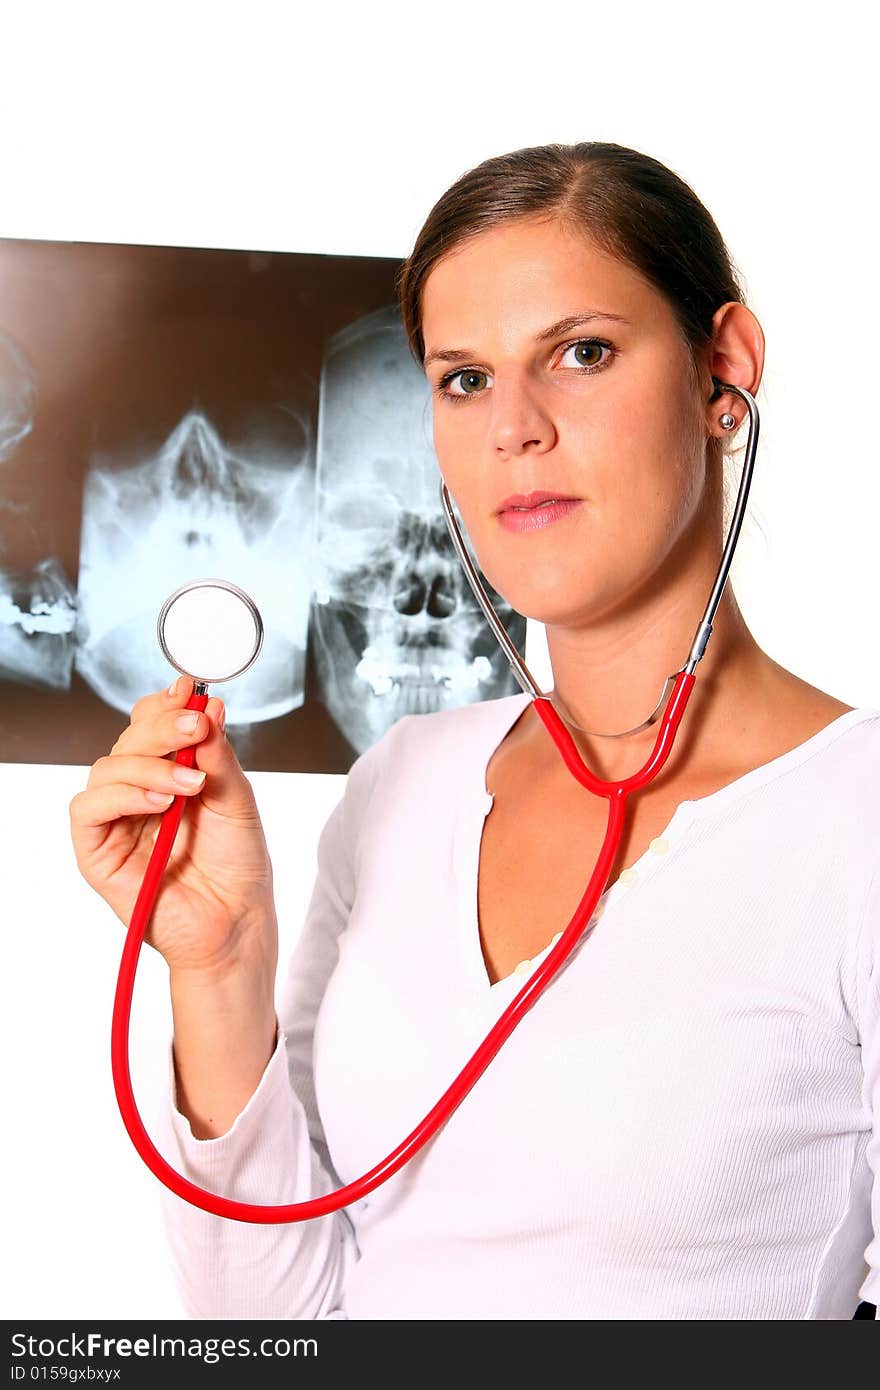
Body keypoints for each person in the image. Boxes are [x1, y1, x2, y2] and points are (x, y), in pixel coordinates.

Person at [69, 141, 879, 1320]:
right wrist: (220, 962)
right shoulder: (404, 781)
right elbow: (273, 1324)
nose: (514, 429)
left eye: (581, 354)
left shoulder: (852, 821)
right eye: (462, 378)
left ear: (725, 370)